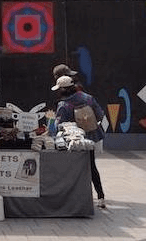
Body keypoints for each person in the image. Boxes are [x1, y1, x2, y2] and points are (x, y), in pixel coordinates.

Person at [52, 73, 107, 209]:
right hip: (90, 139)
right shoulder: (88, 98)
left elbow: (58, 126)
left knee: (72, 169)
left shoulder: (63, 105)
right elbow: (100, 115)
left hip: (73, 141)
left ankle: (74, 198)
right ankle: (100, 197)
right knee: (92, 167)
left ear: (63, 90)